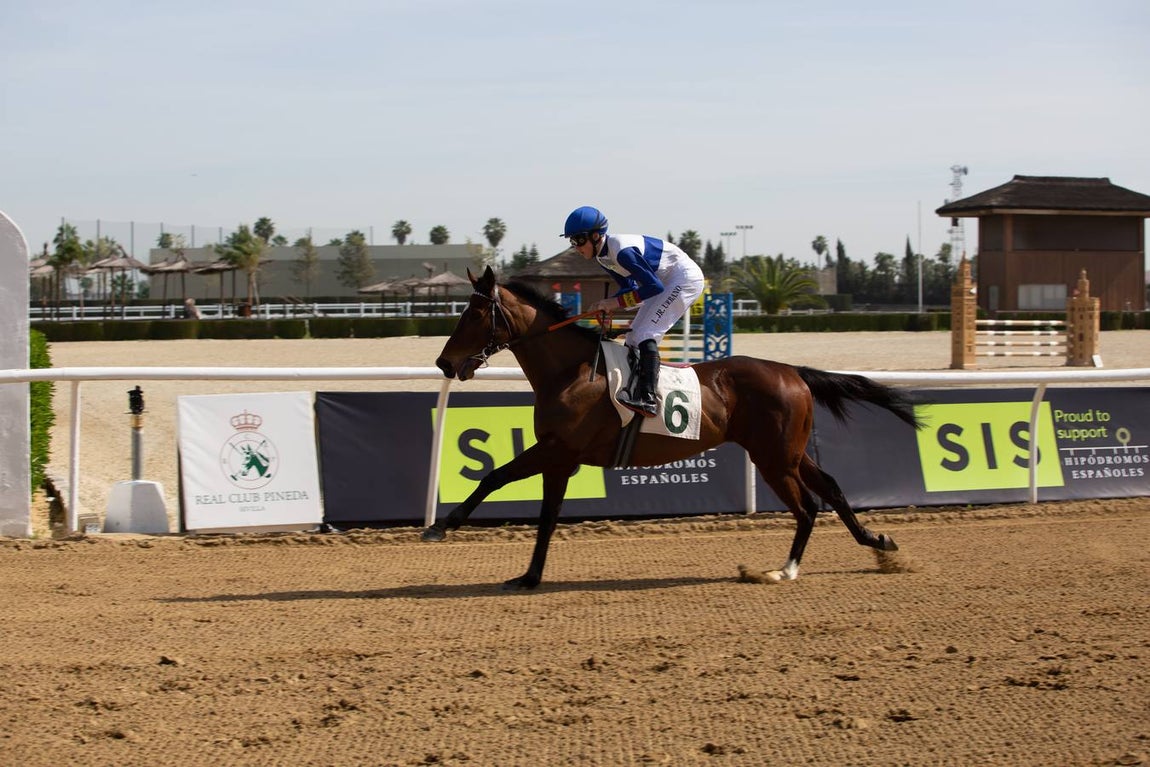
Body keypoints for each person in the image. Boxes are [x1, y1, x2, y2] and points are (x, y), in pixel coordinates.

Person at [562, 205, 705, 417]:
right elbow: (630, 289)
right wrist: (606, 304)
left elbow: (653, 287)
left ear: (595, 236)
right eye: (572, 242)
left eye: (579, 240)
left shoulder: (622, 251)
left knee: (646, 333)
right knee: (632, 338)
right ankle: (632, 390)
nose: (576, 247)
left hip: (683, 279)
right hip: (662, 282)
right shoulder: (603, 257)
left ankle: (648, 398)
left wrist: (615, 303)